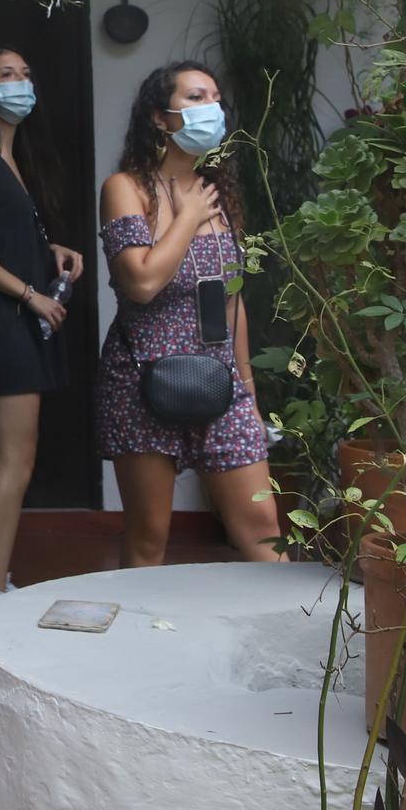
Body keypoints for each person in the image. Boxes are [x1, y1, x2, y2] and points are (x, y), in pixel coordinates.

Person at [96, 60, 285, 568]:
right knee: (149, 539)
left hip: (221, 382)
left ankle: (295, 645)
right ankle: (139, 643)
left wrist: (246, 386)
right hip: (142, 380)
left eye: (215, 99)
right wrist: (188, 220)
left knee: (263, 533)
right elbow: (141, 281)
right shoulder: (126, 189)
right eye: (197, 98)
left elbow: (232, 298)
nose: (212, 110)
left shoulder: (218, 193)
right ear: (160, 117)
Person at [0, 45, 84, 625]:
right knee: (10, 463)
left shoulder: (12, 162)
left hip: (14, 327)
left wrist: (45, 252)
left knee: (17, 461)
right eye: (7, 75)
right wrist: (29, 295)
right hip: (2, 329)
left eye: (27, 74)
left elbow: (1, 239)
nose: (20, 83)